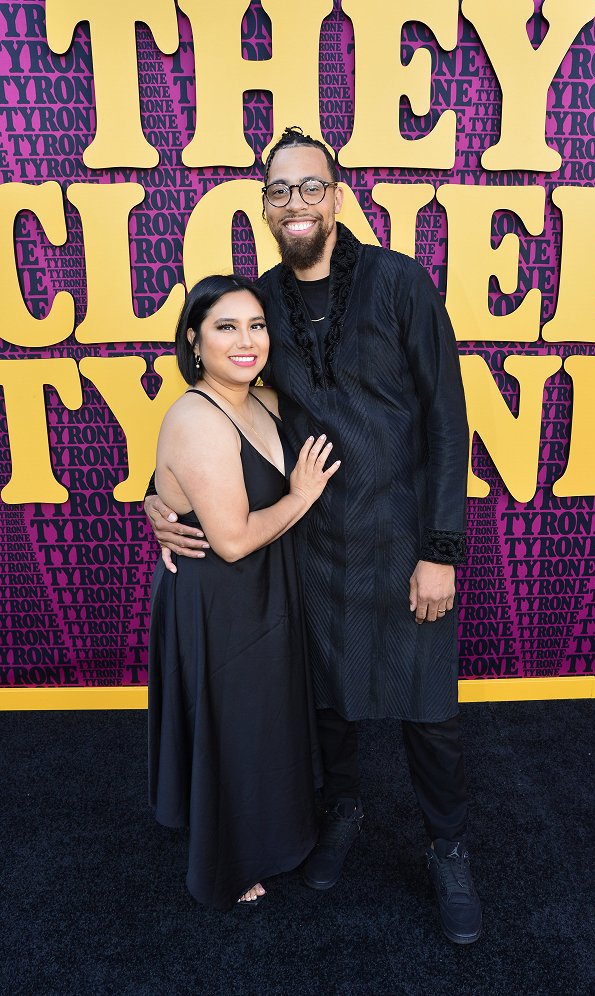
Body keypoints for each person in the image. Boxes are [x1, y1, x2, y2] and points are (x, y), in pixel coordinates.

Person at [145, 128, 482, 943]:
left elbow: (446, 423)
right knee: (326, 708)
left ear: (335, 195)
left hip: (403, 545)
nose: (294, 203)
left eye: (309, 187)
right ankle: (342, 814)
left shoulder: (402, 284)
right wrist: (163, 502)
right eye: (278, 191)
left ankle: (448, 851)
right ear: (263, 206)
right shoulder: (256, 304)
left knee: (427, 715)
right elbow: (216, 414)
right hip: (307, 549)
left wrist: (439, 552)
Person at [148, 273, 340, 910]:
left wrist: (157, 502)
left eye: (255, 325)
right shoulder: (196, 416)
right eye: (225, 327)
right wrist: (303, 496)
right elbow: (230, 541)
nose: (246, 340)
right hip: (221, 596)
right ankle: (227, 861)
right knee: (236, 725)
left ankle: (276, 832)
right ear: (195, 342)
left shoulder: (265, 402)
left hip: (267, 584)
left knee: (266, 720)